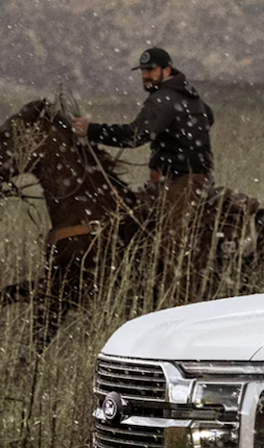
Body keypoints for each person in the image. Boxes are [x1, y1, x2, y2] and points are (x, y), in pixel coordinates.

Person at [71, 46, 217, 303]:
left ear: (166, 69)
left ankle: (178, 306)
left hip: (182, 182)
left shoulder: (164, 98)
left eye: (150, 71)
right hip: (182, 179)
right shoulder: (190, 96)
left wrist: (90, 130)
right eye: (143, 72)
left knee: (172, 247)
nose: (145, 76)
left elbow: (135, 135)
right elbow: (209, 117)